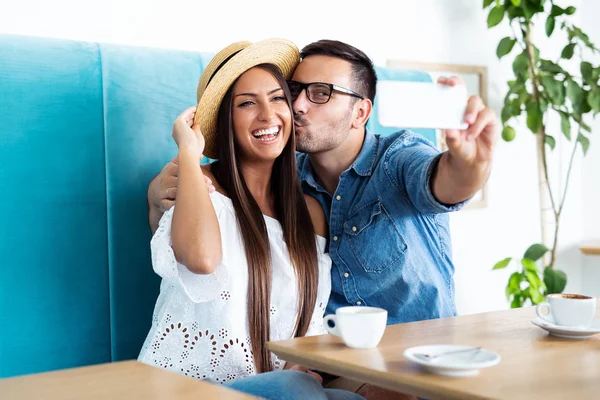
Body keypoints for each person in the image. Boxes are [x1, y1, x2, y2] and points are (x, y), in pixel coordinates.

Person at [147, 39, 498, 399]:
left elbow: (447, 183)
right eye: (295, 91)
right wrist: (169, 184)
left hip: (420, 368)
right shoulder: (271, 183)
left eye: (320, 93)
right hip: (286, 376)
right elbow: (199, 256)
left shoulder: (394, 161)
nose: (297, 105)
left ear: (360, 113)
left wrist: (473, 164)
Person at [139, 38, 363, 400]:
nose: (267, 114)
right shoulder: (200, 184)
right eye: (247, 103)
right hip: (186, 390)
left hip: (274, 388)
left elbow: (311, 318)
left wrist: (299, 361)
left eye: (277, 98)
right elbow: (200, 258)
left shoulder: (309, 213)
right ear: (224, 120)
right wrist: (187, 148)